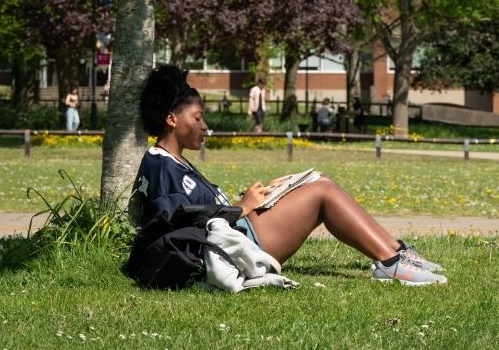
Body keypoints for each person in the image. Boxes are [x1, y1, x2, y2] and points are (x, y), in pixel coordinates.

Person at [131, 65, 446, 285]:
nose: (204, 126)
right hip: (233, 247)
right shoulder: (162, 164)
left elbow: (194, 211)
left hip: (240, 233)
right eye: (198, 118)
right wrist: (243, 206)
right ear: (172, 119)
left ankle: (395, 253)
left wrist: (260, 198)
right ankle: (392, 263)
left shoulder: (172, 161)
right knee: (323, 191)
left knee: (315, 181)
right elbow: (176, 225)